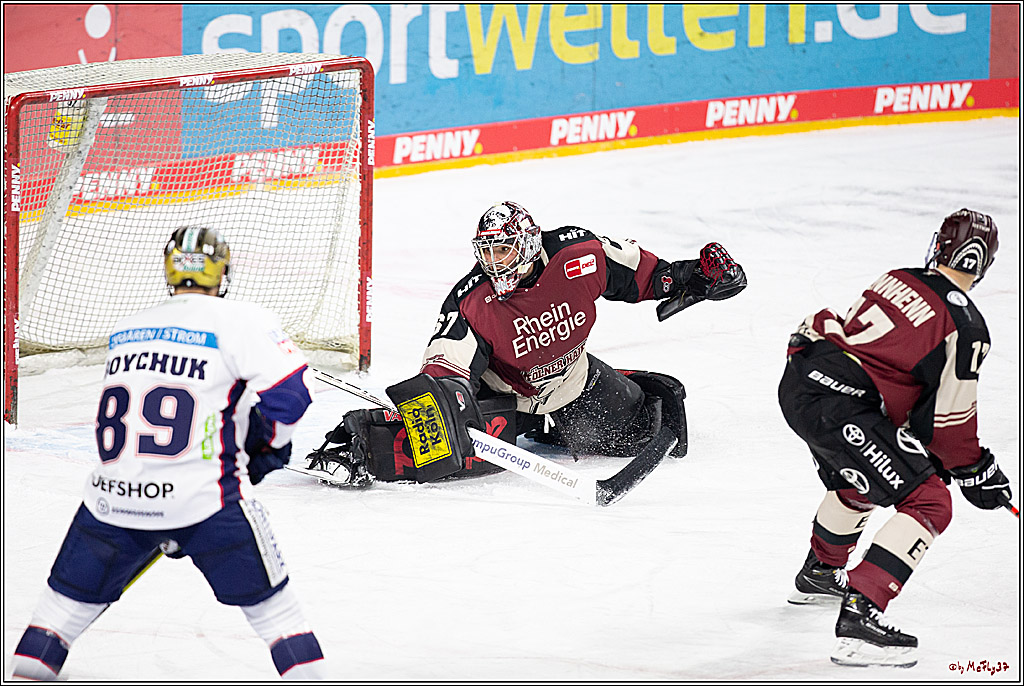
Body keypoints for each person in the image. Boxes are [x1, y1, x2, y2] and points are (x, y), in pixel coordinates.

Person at [8, 227, 325, 681]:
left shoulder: (126, 328)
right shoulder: (240, 320)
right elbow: (292, 396)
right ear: (224, 271)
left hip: (112, 504)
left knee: (52, 625)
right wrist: (264, 449)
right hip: (205, 502)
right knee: (282, 623)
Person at [777, 208, 1013, 668]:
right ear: (983, 264)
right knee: (929, 501)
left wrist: (954, 460)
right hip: (842, 403)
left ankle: (821, 574)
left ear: (940, 246)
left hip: (802, 380)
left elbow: (897, 380)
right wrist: (975, 469)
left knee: (860, 480)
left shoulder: (899, 277)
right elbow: (948, 426)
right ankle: (860, 620)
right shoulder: (966, 327)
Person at [408, 200, 746, 463]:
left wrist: (691, 276)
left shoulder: (577, 255)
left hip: (572, 381)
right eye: (488, 251)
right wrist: (449, 401)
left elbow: (639, 274)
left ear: (526, 244)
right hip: (505, 397)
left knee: (641, 433)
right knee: (441, 455)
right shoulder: (472, 300)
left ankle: (579, 409)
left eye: (503, 249)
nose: (494, 262)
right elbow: (445, 363)